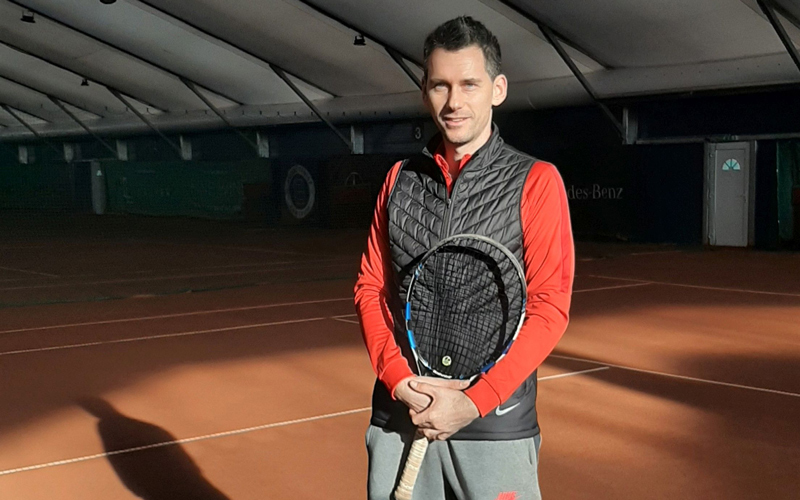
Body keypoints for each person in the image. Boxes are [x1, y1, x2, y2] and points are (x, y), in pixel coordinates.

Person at [354, 16, 574, 500]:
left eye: (469, 84)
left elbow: (549, 308)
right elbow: (371, 288)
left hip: (495, 425)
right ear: (425, 91)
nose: (454, 102)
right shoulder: (398, 179)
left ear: (498, 89)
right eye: (441, 85)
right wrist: (399, 381)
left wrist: (475, 402)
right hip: (401, 416)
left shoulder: (536, 181)